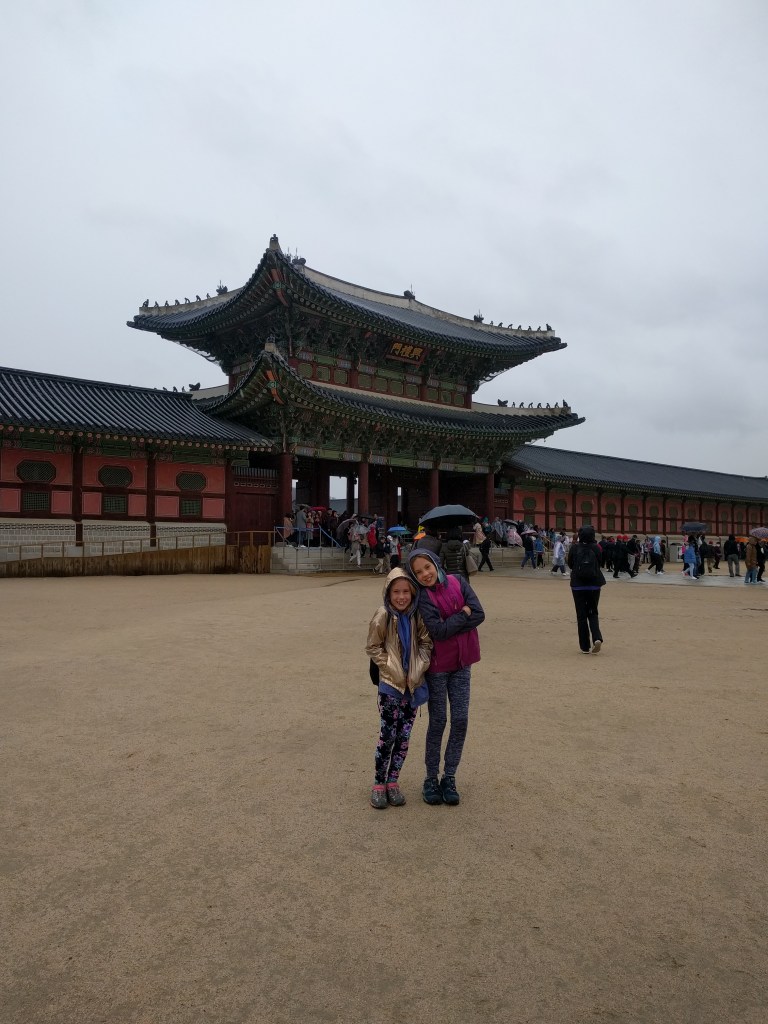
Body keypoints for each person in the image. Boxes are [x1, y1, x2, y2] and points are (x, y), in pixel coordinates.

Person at [408, 550, 485, 806]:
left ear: (436, 563)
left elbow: (480, 613)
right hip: (439, 667)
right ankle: (431, 777)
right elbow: (438, 632)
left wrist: (459, 617)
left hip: (463, 663)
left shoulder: (458, 581)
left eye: (427, 567)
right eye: (418, 572)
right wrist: (463, 614)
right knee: (438, 720)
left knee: (461, 719)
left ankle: (449, 776)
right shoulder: (423, 597)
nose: (425, 575)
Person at [365, 568, 432, 809]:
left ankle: (393, 782)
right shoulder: (383, 614)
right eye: (396, 592)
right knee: (387, 736)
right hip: (390, 687)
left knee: (403, 737)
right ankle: (378, 783)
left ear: (412, 593)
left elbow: (426, 642)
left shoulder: (417, 615)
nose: (401, 597)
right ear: (388, 592)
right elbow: (373, 646)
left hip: (412, 687)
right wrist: (391, 666)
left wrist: (418, 666)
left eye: (406, 592)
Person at [566, 525, 606, 654]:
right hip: (594, 584)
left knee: (581, 615)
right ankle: (597, 638)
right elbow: (601, 563)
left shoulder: (575, 548)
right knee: (593, 612)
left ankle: (584, 646)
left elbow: (570, 564)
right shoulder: (596, 547)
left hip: (578, 585)